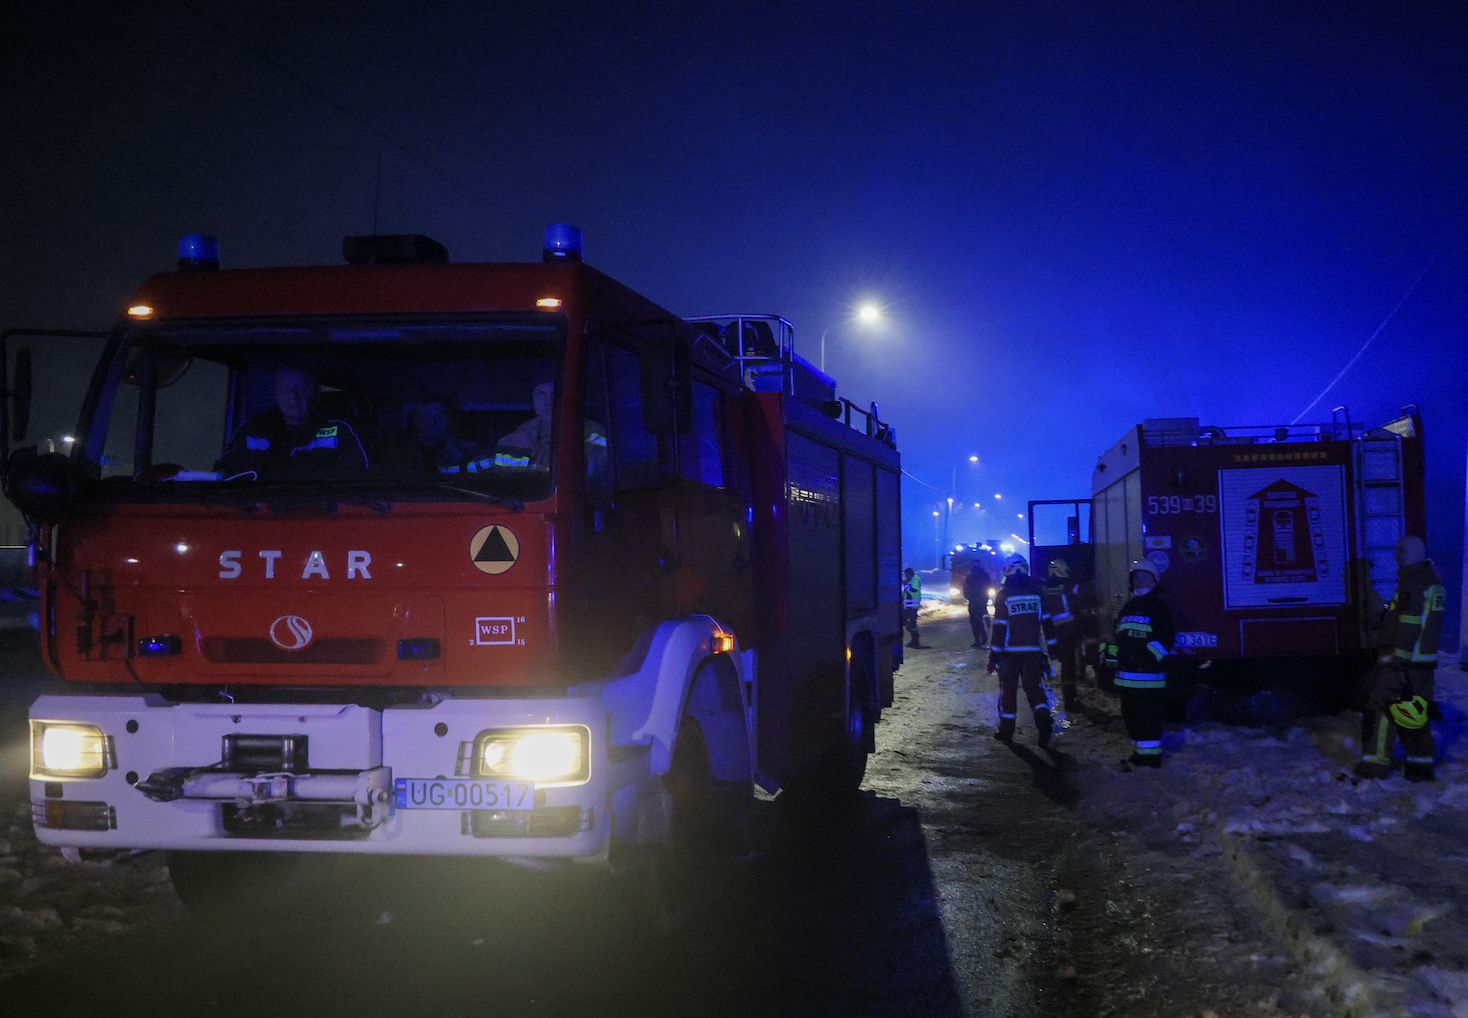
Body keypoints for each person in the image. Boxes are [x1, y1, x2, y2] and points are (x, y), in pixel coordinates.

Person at [1355, 535, 1446, 782]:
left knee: (1382, 708)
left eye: (1400, 552)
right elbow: (1404, 613)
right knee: (1415, 711)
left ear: (1408, 554)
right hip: (1423, 663)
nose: (1396, 557)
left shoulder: (1411, 583)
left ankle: (1375, 765)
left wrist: (1397, 662)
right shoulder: (1431, 581)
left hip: (1404, 661)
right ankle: (1419, 765)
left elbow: (1408, 625)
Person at [216, 367, 369, 479]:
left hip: (319, 511)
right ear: (276, 393)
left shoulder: (338, 432)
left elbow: (358, 481)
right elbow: (223, 476)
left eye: (301, 388)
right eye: (285, 389)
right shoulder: (251, 431)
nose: (292, 396)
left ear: (316, 392)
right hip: (257, 511)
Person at [1099, 558, 1174, 769]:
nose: (1140, 580)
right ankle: (1139, 754)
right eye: (1137, 577)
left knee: (1147, 719)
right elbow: (1118, 639)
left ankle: (1151, 760)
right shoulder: (1128, 607)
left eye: (1145, 576)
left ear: (1154, 581)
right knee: (1131, 719)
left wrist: (1145, 659)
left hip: (1148, 678)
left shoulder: (1158, 607)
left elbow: (1165, 639)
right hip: (1126, 678)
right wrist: (1110, 664)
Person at [988, 553, 1056, 746]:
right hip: (1033, 652)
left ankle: (1006, 732)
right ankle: (1044, 724)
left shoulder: (1004, 595)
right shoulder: (1037, 592)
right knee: (1034, 690)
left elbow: (1000, 628)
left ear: (1006, 571)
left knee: (1008, 692)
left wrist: (993, 657)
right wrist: (1053, 647)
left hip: (1010, 654)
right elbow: (1047, 622)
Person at [399, 399, 487, 476]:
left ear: (448, 420)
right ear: (416, 420)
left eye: (439, 416)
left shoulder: (469, 450)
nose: (433, 422)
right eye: (426, 416)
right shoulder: (401, 452)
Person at [1041, 557, 1082, 712]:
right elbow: (1078, 606)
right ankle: (1070, 701)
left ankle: (1068, 698)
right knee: (1069, 668)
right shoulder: (1069, 587)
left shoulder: (1044, 589)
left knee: (1066, 668)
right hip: (1069, 631)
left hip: (1053, 633)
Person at [499, 381, 556, 468]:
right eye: (541, 394)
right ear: (534, 399)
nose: (548, 401)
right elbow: (503, 471)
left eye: (555, 394)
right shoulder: (514, 441)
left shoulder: (578, 437)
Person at [963, 561, 992, 648]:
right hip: (978, 600)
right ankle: (980, 638)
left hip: (975, 600)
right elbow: (989, 585)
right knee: (976, 620)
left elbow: (966, 587)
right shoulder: (983, 574)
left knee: (975, 621)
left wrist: (967, 596)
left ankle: (979, 639)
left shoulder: (971, 575)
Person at [902, 567, 923, 648]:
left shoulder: (916, 579)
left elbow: (914, 590)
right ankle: (915, 638)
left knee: (912, 623)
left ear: (909, 574)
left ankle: (915, 641)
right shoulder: (909, 580)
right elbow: (904, 593)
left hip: (913, 605)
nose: (905, 576)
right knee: (907, 621)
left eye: (906, 575)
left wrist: (905, 585)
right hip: (908, 605)